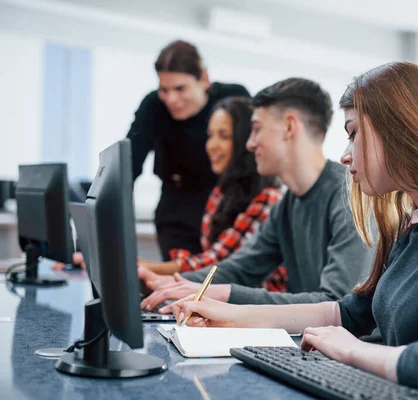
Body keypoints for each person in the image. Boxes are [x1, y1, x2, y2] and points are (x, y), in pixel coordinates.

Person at [165, 62, 418, 399]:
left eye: (353, 133)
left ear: (400, 130)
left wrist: (351, 351)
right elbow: (346, 313)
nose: (344, 155)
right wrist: (232, 316)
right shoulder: (414, 224)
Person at [139, 77, 374, 311]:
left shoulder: (350, 194)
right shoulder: (286, 206)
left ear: (289, 127)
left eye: (256, 129)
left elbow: (337, 303)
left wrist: (225, 294)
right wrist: (171, 283)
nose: (250, 144)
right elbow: (240, 268)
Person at [138, 96, 286, 291]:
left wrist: (146, 269)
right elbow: (209, 259)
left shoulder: (268, 198)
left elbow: (220, 262)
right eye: (210, 135)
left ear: (244, 141)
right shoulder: (220, 193)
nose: (212, 145)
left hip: (259, 308)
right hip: (226, 298)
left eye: (223, 136)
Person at [128, 40, 250, 260]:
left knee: (217, 278)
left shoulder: (232, 99)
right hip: (176, 210)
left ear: (203, 79)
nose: (171, 99)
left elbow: (252, 156)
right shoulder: (153, 106)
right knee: (182, 281)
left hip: (226, 206)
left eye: (180, 88)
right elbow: (127, 168)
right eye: (164, 90)